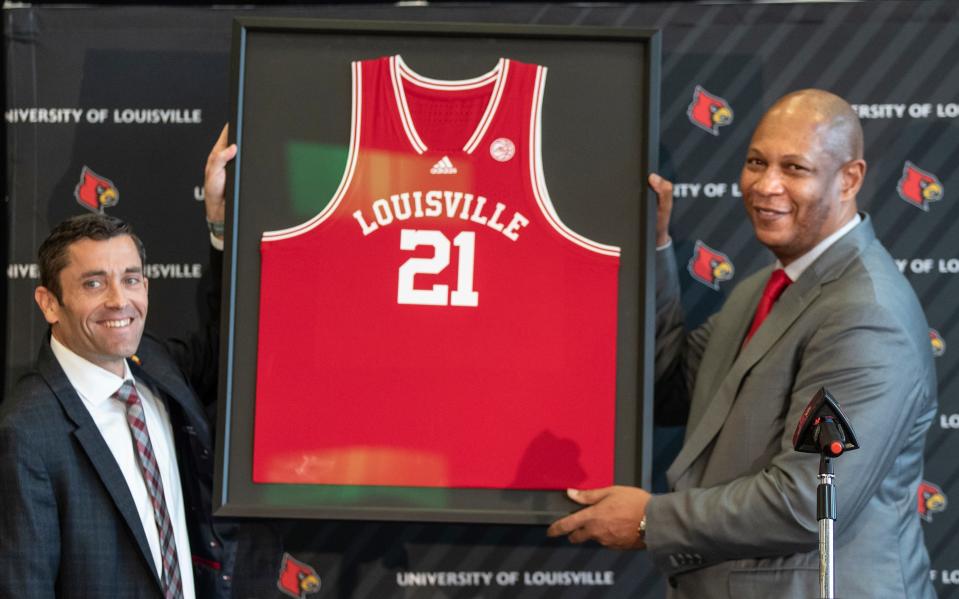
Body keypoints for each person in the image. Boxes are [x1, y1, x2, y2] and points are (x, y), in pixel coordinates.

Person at [547, 89, 937, 598]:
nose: (765, 184)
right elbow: (671, 387)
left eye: (794, 168)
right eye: (757, 162)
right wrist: (655, 244)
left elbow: (807, 503)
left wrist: (651, 519)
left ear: (850, 179)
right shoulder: (763, 288)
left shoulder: (865, 314)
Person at [0, 126, 239, 599]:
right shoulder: (26, 431)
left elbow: (223, 343)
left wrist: (220, 223)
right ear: (49, 304)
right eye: (93, 284)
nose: (119, 300)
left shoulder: (157, 365)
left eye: (131, 279)